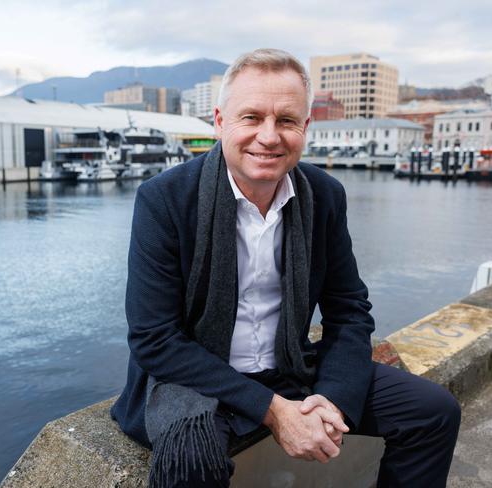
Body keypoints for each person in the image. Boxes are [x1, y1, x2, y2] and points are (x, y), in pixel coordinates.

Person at [111, 48, 461, 487]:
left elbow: (349, 308)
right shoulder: (165, 200)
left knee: (433, 412)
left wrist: (332, 399)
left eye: (287, 120)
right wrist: (273, 410)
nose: (269, 136)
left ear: (306, 128)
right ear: (220, 122)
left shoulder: (324, 195)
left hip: (290, 367)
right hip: (201, 381)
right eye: (252, 117)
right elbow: (154, 339)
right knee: (190, 460)